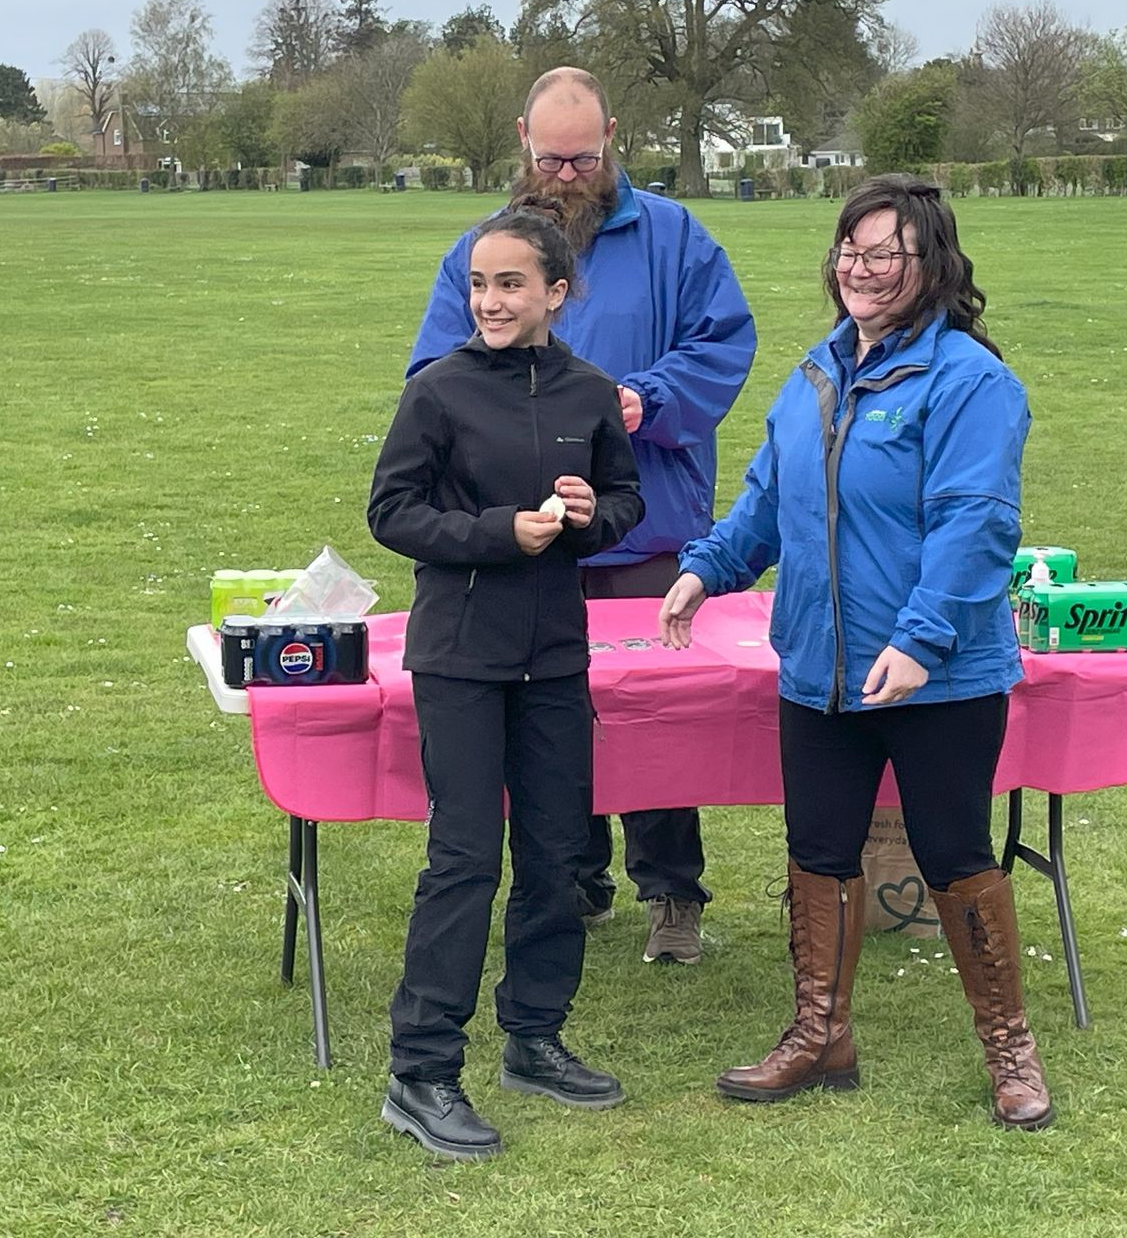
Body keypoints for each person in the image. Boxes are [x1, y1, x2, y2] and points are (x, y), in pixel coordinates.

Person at [658, 173, 1054, 1130]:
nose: (862, 269)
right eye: (850, 249)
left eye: (886, 253)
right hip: (819, 668)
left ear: (933, 264)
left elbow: (976, 524)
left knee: (954, 852)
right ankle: (820, 1035)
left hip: (938, 678)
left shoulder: (970, 381)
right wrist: (708, 568)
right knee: (818, 850)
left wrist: (921, 640)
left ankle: (1010, 1051)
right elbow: (768, 498)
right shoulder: (817, 374)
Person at [408, 67, 756, 965]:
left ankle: (672, 888)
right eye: (552, 159)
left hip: (645, 529)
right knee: (547, 719)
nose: (566, 175)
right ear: (523, 138)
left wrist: (649, 398)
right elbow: (432, 378)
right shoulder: (483, 253)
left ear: (612, 137)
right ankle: (571, 874)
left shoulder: (676, 238)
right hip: (523, 544)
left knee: (660, 718)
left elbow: (725, 341)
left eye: (584, 159)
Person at [369, 198, 645, 1161]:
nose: (490, 300)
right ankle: (421, 1072)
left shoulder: (590, 394)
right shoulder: (438, 392)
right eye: (479, 284)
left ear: (556, 293)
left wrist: (590, 515)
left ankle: (534, 1037)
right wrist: (497, 533)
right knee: (465, 859)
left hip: (556, 658)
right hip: (459, 658)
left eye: (510, 284)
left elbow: (626, 500)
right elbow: (391, 512)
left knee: (558, 854)